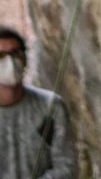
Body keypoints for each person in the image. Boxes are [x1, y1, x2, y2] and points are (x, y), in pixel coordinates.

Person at [0, 28, 76, 179]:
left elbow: (66, 165)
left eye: (15, 53)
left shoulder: (51, 107)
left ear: (25, 58)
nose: (10, 62)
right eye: (0, 56)